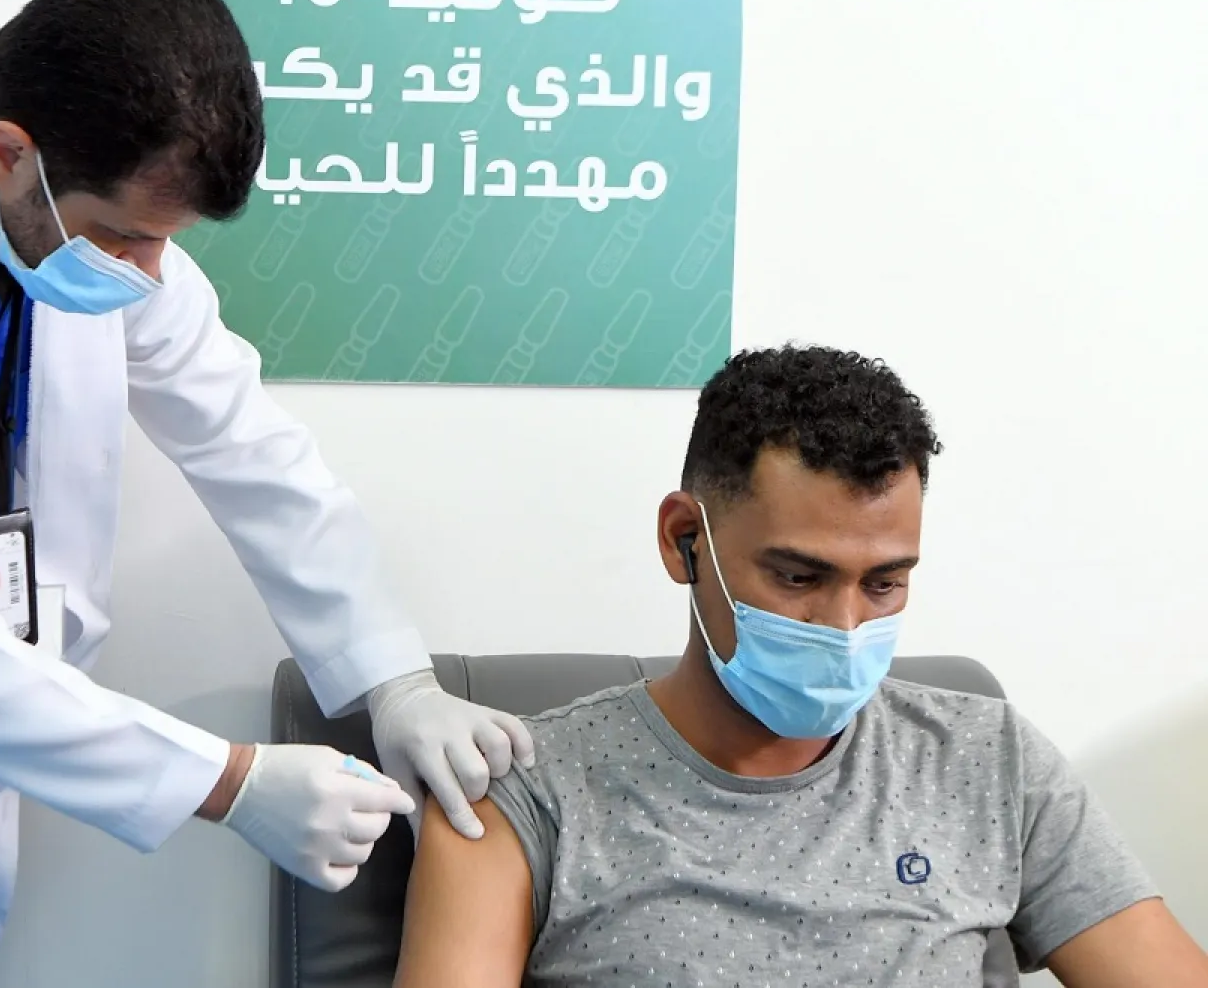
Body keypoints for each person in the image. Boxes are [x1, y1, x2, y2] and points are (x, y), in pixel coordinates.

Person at [0, 0, 532, 986]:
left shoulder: (65, 214)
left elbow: (249, 447)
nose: (149, 275)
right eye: (129, 237)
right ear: (9, 155)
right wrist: (232, 783)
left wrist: (393, 678)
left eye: (167, 244)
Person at [393, 345, 1208, 987]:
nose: (844, 626)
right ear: (684, 541)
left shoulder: (986, 760)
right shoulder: (525, 790)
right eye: (797, 578)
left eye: (884, 583)